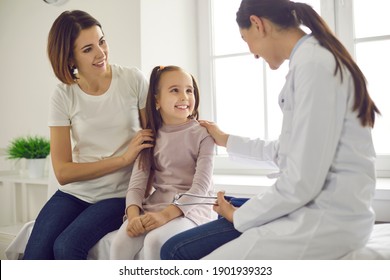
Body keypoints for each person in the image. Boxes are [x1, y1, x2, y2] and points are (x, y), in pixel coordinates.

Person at [160, 0, 380, 260]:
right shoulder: (309, 60)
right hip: (313, 205)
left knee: (176, 251)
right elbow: (288, 150)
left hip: (326, 218)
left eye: (246, 40)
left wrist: (238, 215)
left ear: (258, 24)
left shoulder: (314, 66)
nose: (252, 52)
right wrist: (225, 139)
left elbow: (301, 181)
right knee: (186, 237)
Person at [23, 10, 153, 259]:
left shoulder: (133, 79)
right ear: (70, 59)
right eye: (87, 49)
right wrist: (122, 160)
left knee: (66, 246)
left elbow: (153, 141)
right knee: (35, 254)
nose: (101, 53)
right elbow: (63, 172)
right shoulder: (63, 95)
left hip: (119, 195)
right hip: (75, 194)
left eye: (102, 41)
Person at [109, 65, 215, 260]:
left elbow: (201, 187)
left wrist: (165, 216)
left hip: (192, 208)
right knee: (119, 243)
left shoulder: (203, 134)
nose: (184, 97)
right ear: (157, 100)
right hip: (157, 205)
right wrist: (133, 217)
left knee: (155, 241)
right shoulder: (149, 137)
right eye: (175, 90)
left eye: (189, 90)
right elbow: (136, 186)